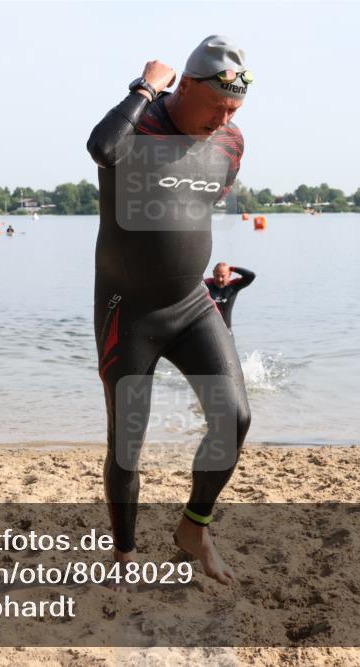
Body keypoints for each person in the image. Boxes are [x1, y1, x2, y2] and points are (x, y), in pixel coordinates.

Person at [87, 35, 252, 589]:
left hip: (191, 303)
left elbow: (195, 206)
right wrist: (144, 87)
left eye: (233, 110)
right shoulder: (138, 124)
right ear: (184, 86)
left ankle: (194, 528)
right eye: (216, 106)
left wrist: (208, 269)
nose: (223, 119)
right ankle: (124, 555)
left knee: (235, 418)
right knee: (127, 444)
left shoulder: (230, 143)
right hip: (128, 310)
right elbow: (101, 148)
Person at [204, 263, 255, 329]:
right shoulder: (206, 285)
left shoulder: (234, 286)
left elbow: (251, 275)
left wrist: (232, 268)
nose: (220, 279)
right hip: (209, 329)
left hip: (226, 329)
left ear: (229, 274)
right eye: (217, 275)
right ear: (213, 273)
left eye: (223, 276)